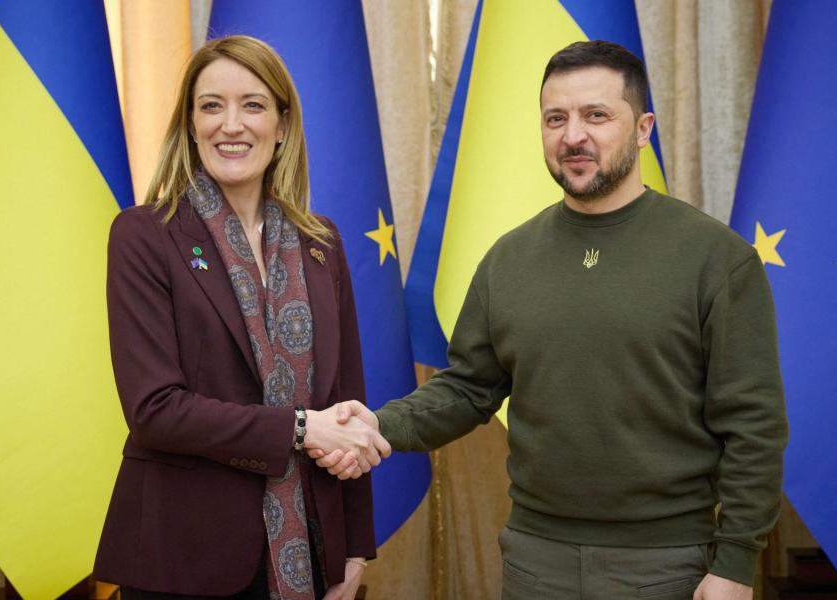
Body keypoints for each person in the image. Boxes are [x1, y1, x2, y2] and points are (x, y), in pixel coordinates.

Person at [314, 40, 788, 599]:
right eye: (555, 118)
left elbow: (753, 426)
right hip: (533, 562)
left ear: (643, 128)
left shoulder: (716, 258)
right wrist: (376, 425)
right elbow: (469, 390)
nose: (573, 136)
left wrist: (734, 565)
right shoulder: (508, 259)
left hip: (668, 565)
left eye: (596, 115)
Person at [94, 35, 390, 600]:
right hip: (183, 558)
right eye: (212, 106)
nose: (231, 125)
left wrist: (354, 550)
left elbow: (347, 405)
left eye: (252, 105)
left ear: (282, 125)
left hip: (312, 550)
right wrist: (302, 428)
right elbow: (155, 410)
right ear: (190, 123)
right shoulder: (144, 236)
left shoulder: (321, 243)